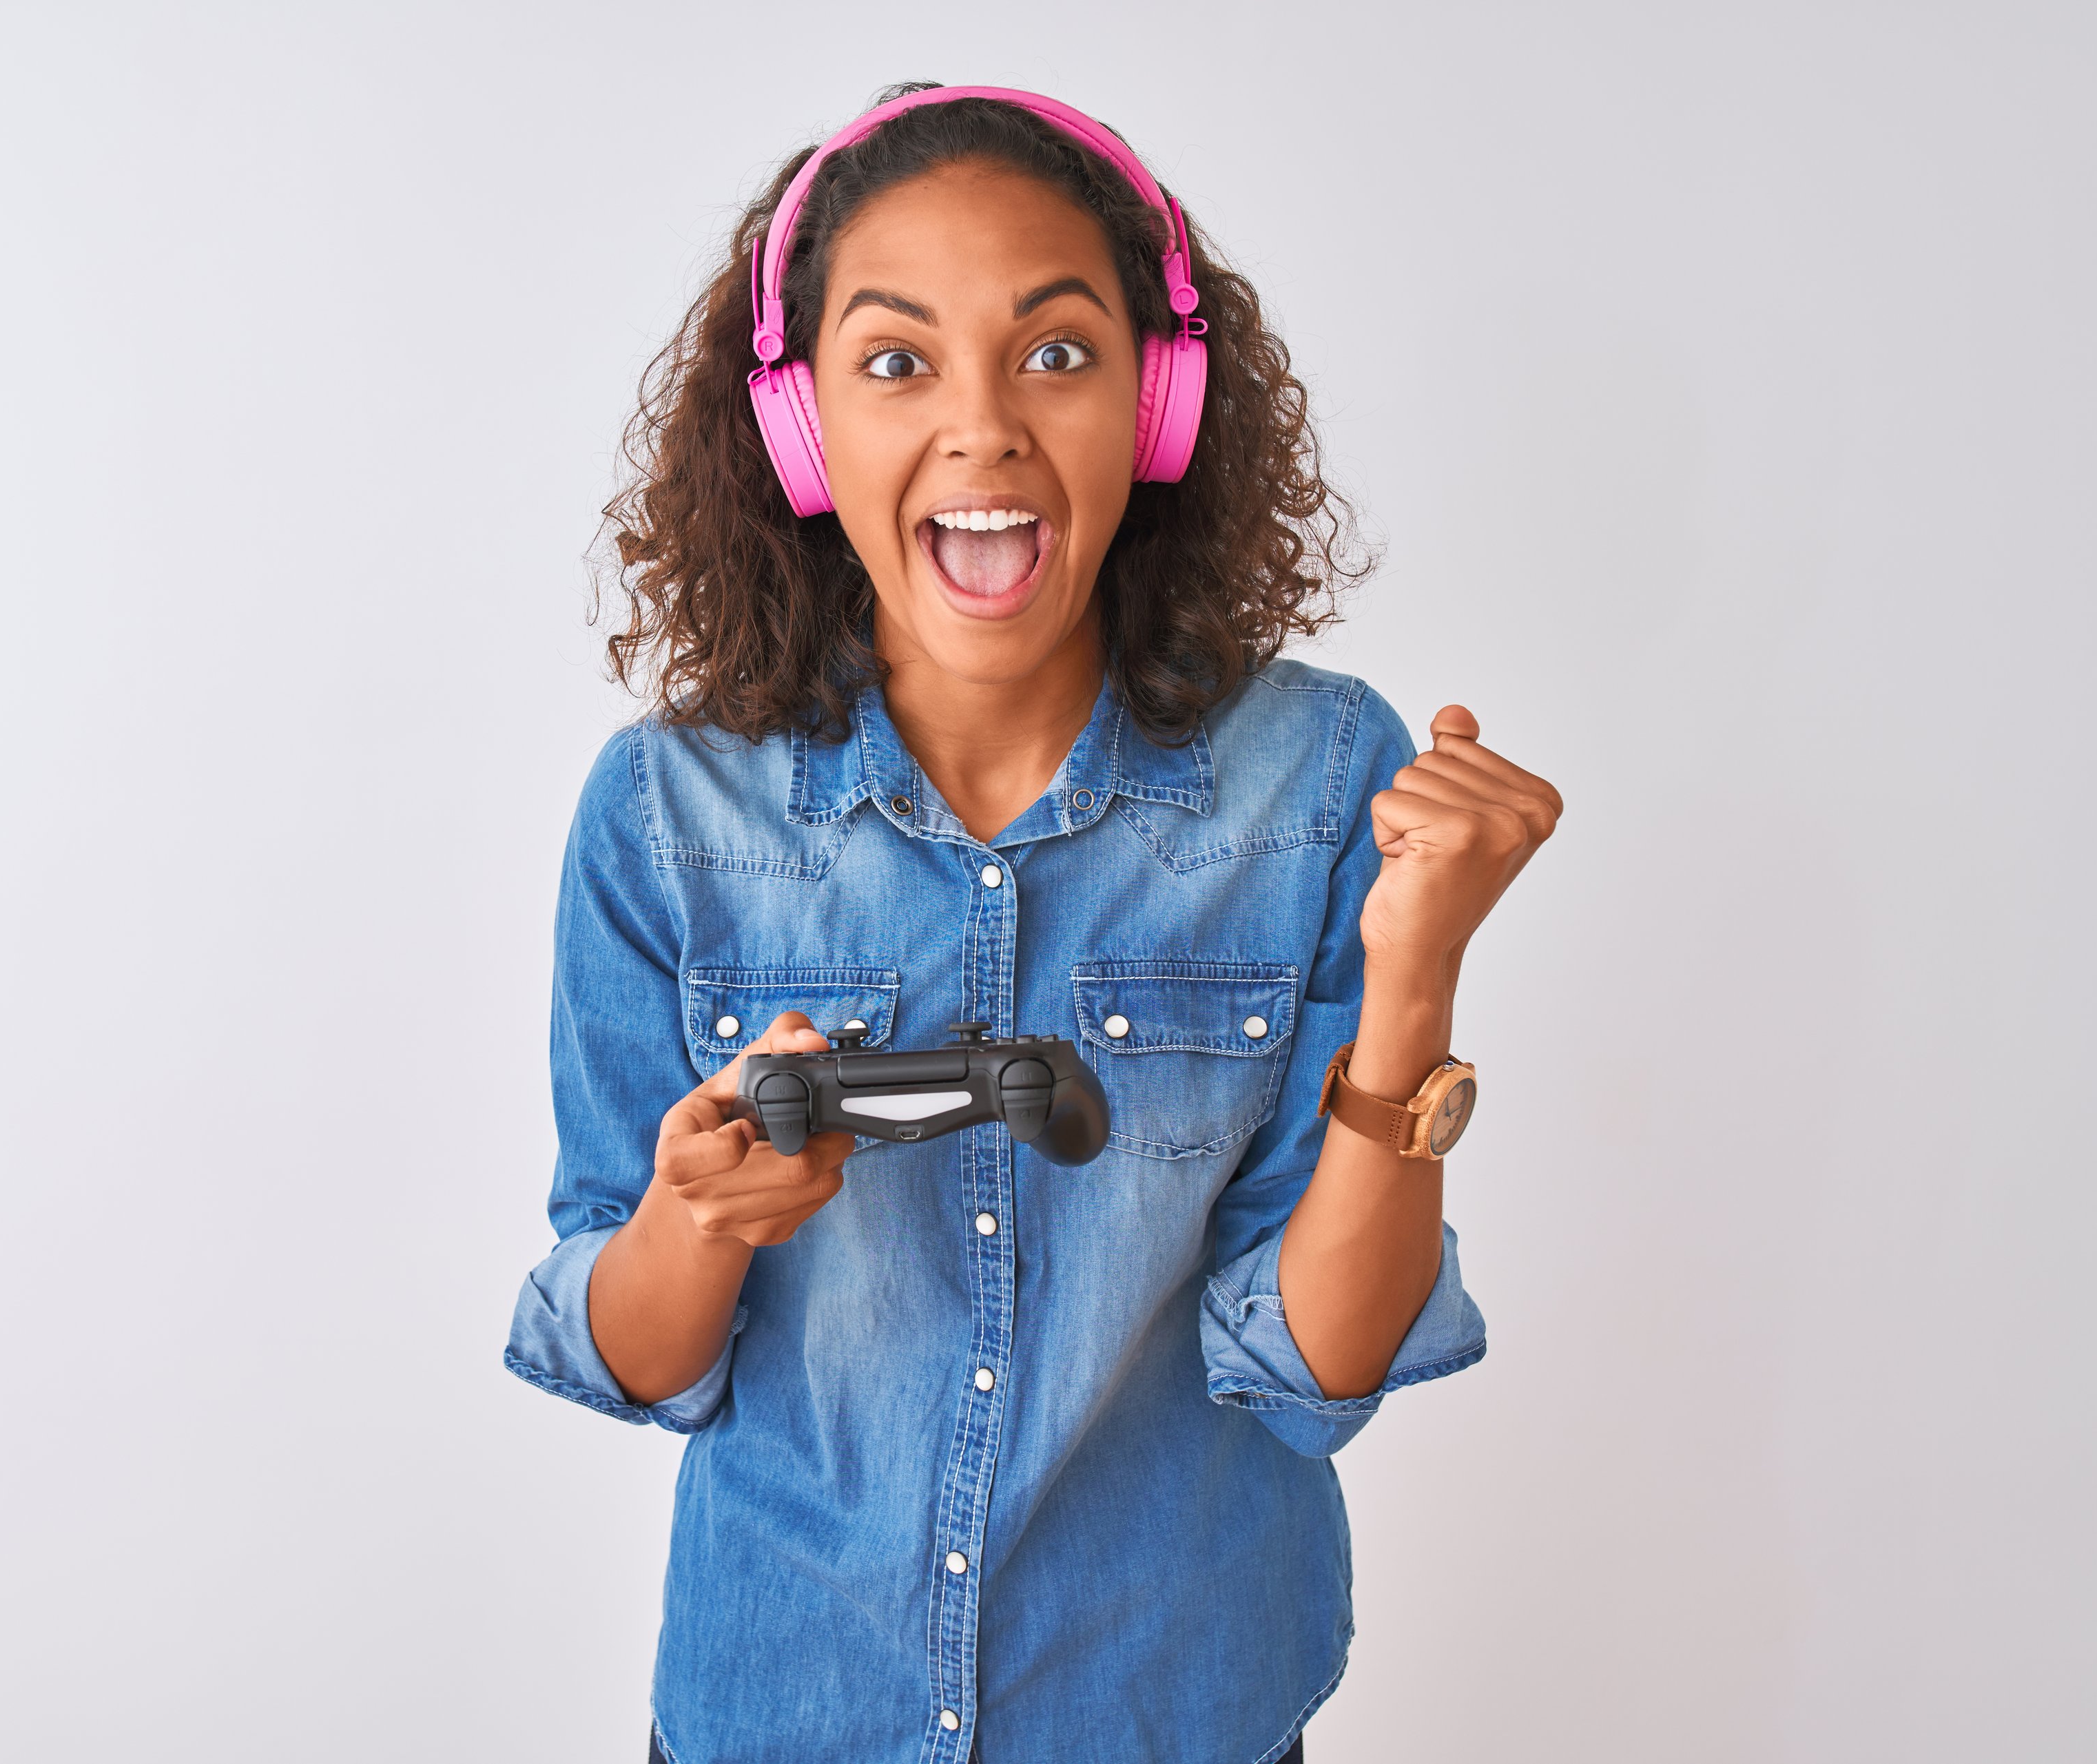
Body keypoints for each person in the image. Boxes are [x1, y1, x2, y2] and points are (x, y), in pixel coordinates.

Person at [504, 83, 1562, 1764]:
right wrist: (697, 1219)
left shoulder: (1320, 780)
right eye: (898, 360)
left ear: (1156, 406)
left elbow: (1319, 1362)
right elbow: (634, 1358)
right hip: (784, 1710)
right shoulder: (665, 812)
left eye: (1057, 353)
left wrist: (1417, 969)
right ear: (801, 434)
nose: (985, 425)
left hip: (1176, 1708)